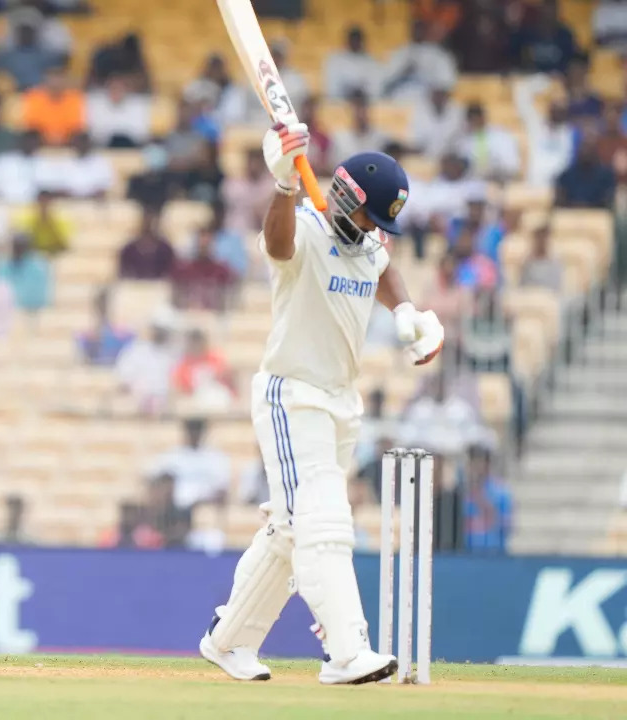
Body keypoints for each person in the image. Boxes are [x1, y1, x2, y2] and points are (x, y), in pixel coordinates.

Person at [199, 122, 444, 685]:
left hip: (340, 400)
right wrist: (285, 184)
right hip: (293, 393)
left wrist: (406, 312)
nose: (371, 230)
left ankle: (228, 639)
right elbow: (279, 248)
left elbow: (384, 269)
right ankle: (345, 652)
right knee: (323, 522)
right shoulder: (304, 227)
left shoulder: (367, 243)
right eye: (368, 216)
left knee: (290, 529)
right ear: (345, 198)